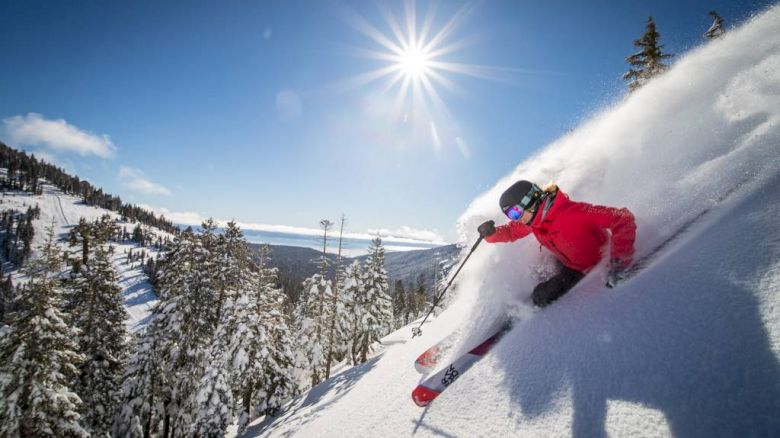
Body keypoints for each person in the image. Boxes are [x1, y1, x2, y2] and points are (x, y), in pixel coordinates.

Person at [478, 180, 636, 307]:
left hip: (586, 266)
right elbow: (511, 232)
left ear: (530, 201)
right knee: (536, 272)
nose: (516, 218)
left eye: (516, 212)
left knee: (542, 295)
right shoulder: (533, 221)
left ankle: (532, 306)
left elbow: (622, 217)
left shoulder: (573, 213)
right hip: (566, 261)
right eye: (511, 215)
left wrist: (620, 257)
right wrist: (491, 234)